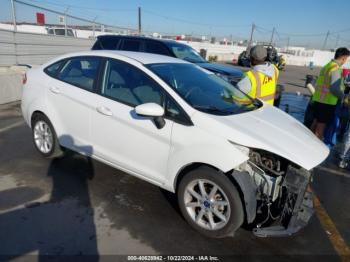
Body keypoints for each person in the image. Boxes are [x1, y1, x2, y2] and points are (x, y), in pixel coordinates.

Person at [311, 47, 350, 139]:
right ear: (343, 58)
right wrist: (344, 97)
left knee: (315, 122)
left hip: (318, 99)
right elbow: (334, 89)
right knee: (321, 126)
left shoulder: (327, 66)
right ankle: (316, 148)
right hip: (327, 102)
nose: (345, 61)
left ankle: (307, 142)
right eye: (346, 59)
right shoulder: (336, 68)